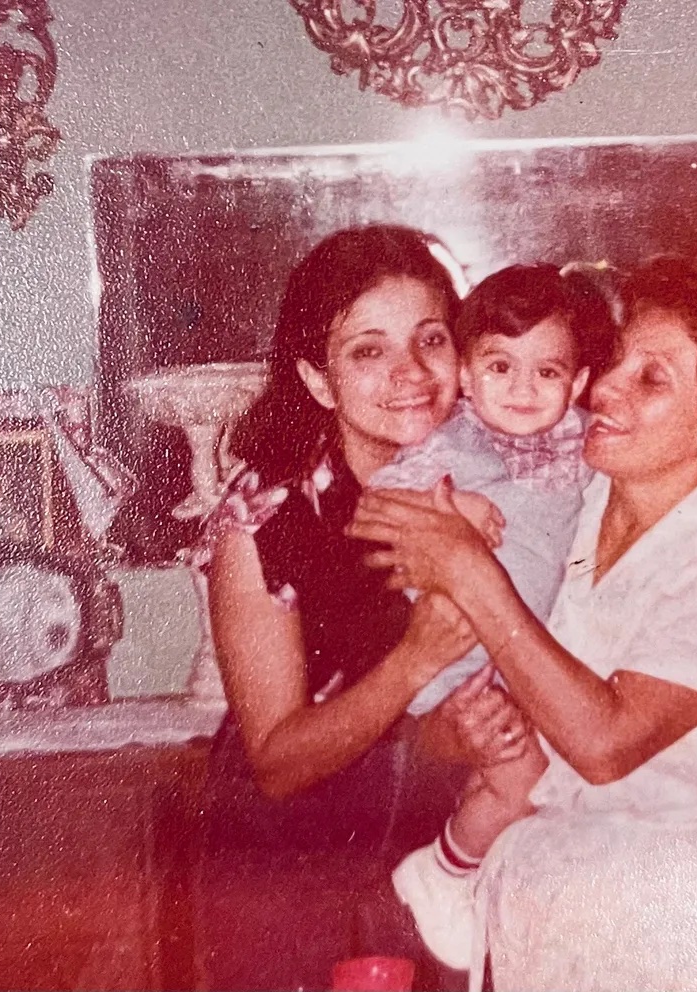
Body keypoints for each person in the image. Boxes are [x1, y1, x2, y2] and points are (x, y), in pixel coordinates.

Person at [350, 252, 697, 990]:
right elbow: (384, 520)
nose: (608, 388)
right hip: (536, 916)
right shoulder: (576, 499)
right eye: (616, 362)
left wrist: (469, 568)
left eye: (652, 379)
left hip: (666, 932)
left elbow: (601, 746)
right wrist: (453, 731)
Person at [193, 224, 495, 992]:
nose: (411, 372)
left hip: (457, 862)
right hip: (299, 879)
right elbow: (278, 762)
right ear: (319, 380)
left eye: (431, 339)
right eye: (369, 350)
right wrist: (416, 661)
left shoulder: (508, 477)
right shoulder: (268, 517)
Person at [364, 264, 615, 961]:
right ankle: (444, 871)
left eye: (547, 371)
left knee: (523, 781)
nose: (524, 389)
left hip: (530, 653)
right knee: (522, 779)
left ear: (580, 381)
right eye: (501, 367)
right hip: (459, 655)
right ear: (467, 377)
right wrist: (450, 506)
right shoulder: (451, 445)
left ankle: (483, 887)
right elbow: (375, 507)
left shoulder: (588, 443)